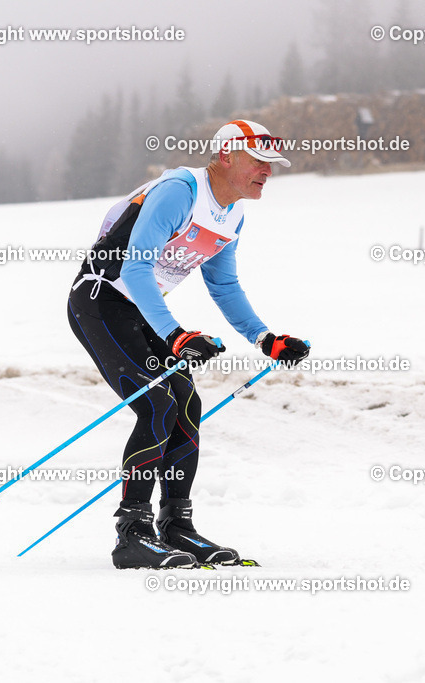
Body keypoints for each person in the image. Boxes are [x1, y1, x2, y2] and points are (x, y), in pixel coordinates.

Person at [67, 119, 310, 569]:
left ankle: (176, 525)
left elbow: (225, 285)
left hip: (143, 310)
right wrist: (177, 334)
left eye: (271, 164)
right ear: (226, 156)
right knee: (158, 404)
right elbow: (136, 269)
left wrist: (265, 338)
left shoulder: (233, 215)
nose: (268, 172)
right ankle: (132, 534)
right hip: (102, 300)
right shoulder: (181, 190)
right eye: (259, 161)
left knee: (187, 404)